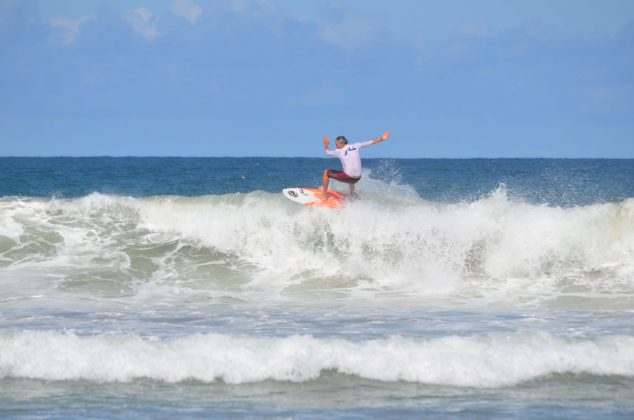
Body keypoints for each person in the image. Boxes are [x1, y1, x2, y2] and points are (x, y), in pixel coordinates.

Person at [322, 130, 391, 196]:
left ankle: (324, 195)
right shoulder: (356, 145)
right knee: (350, 170)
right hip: (357, 178)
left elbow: (327, 153)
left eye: (336, 144)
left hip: (348, 177)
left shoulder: (338, 151)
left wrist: (326, 144)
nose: (336, 146)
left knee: (326, 172)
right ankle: (352, 193)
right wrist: (381, 138)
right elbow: (370, 142)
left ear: (341, 143)